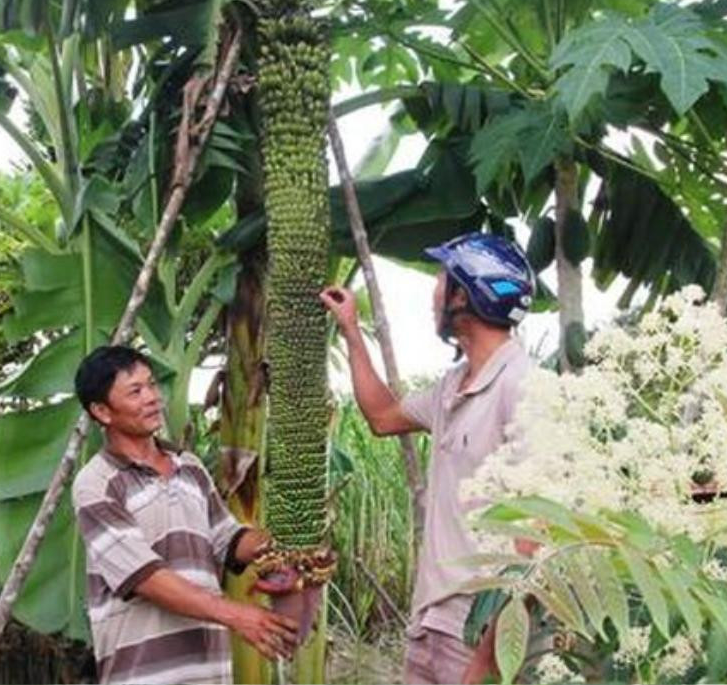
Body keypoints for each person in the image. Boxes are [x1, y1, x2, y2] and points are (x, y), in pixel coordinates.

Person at [320, 232, 535, 685]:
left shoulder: (523, 387)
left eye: (441, 282)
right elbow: (382, 416)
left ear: (464, 295)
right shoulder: (452, 387)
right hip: (431, 622)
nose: (433, 295)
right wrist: (352, 331)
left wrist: (486, 661)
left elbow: (534, 539)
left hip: (477, 632)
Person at [71, 345, 298, 685]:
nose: (152, 398)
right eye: (135, 391)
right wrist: (237, 615)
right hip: (144, 675)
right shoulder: (97, 483)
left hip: (208, 671)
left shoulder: (189, 467)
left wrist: (287, 542)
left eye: (151, 385)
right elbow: (145, 578)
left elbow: (229, 541)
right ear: (102, 411)